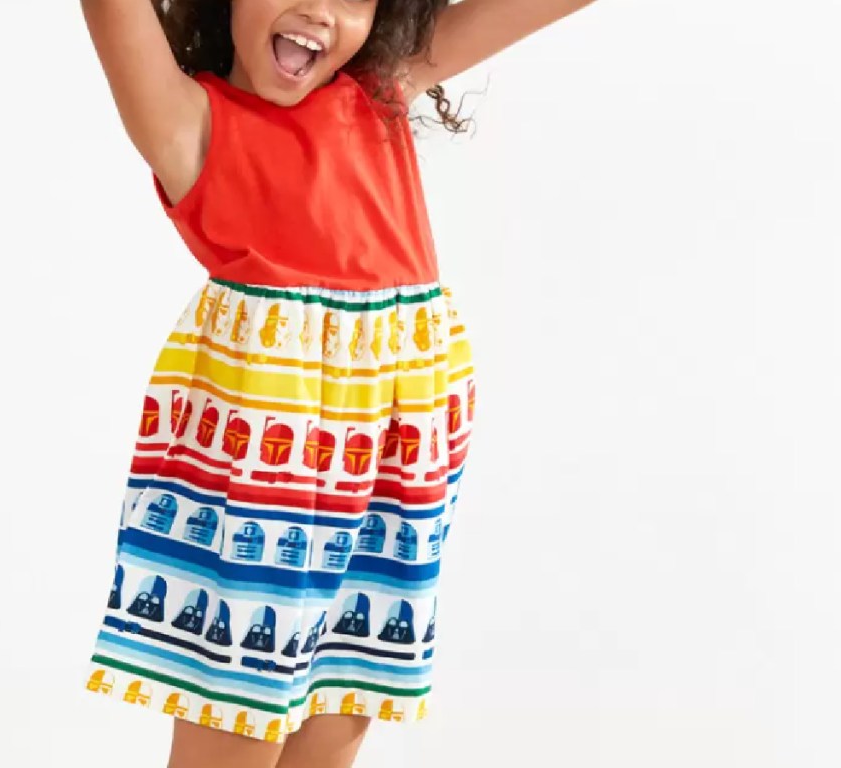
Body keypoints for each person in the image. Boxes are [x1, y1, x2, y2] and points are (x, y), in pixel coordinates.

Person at [78, 2, 595, 766]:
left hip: (395, 468)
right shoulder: (188, 123)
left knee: (339, 716)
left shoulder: (381, 86)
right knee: (238, 726)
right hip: (267, 474)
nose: (321, 9)